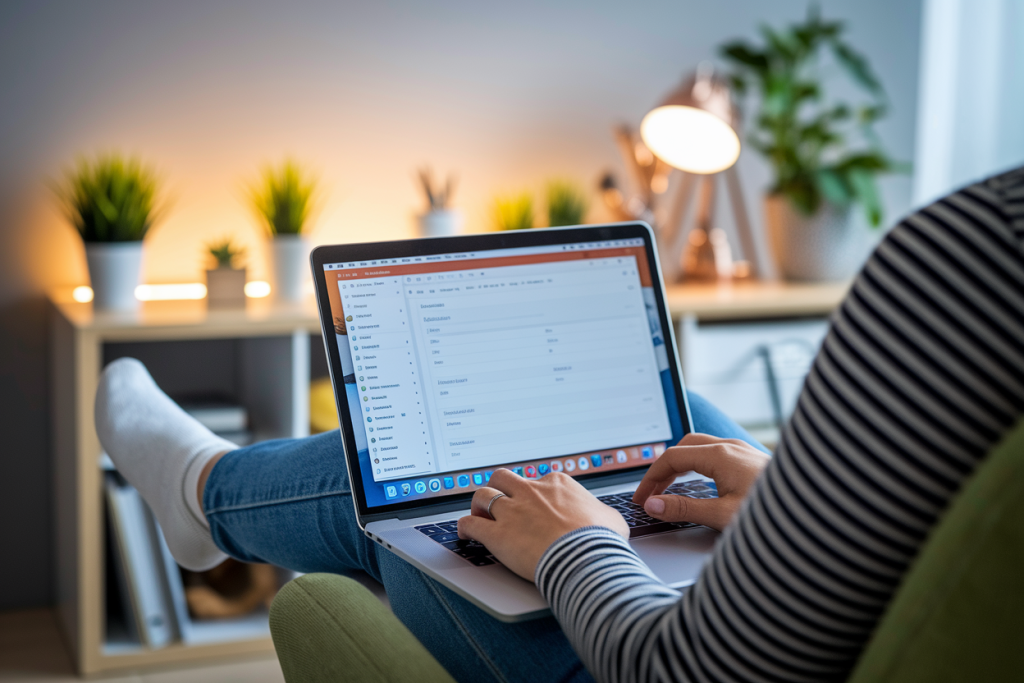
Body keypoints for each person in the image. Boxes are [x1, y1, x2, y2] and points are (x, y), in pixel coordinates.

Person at [96, 167, 1024, 683]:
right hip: (836, 630)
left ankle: (204, 492)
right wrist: (794, 504)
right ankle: (208, 493)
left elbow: (685, 674)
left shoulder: (975, 256)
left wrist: (574, 547)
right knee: (690, 431)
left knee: (455, 493)